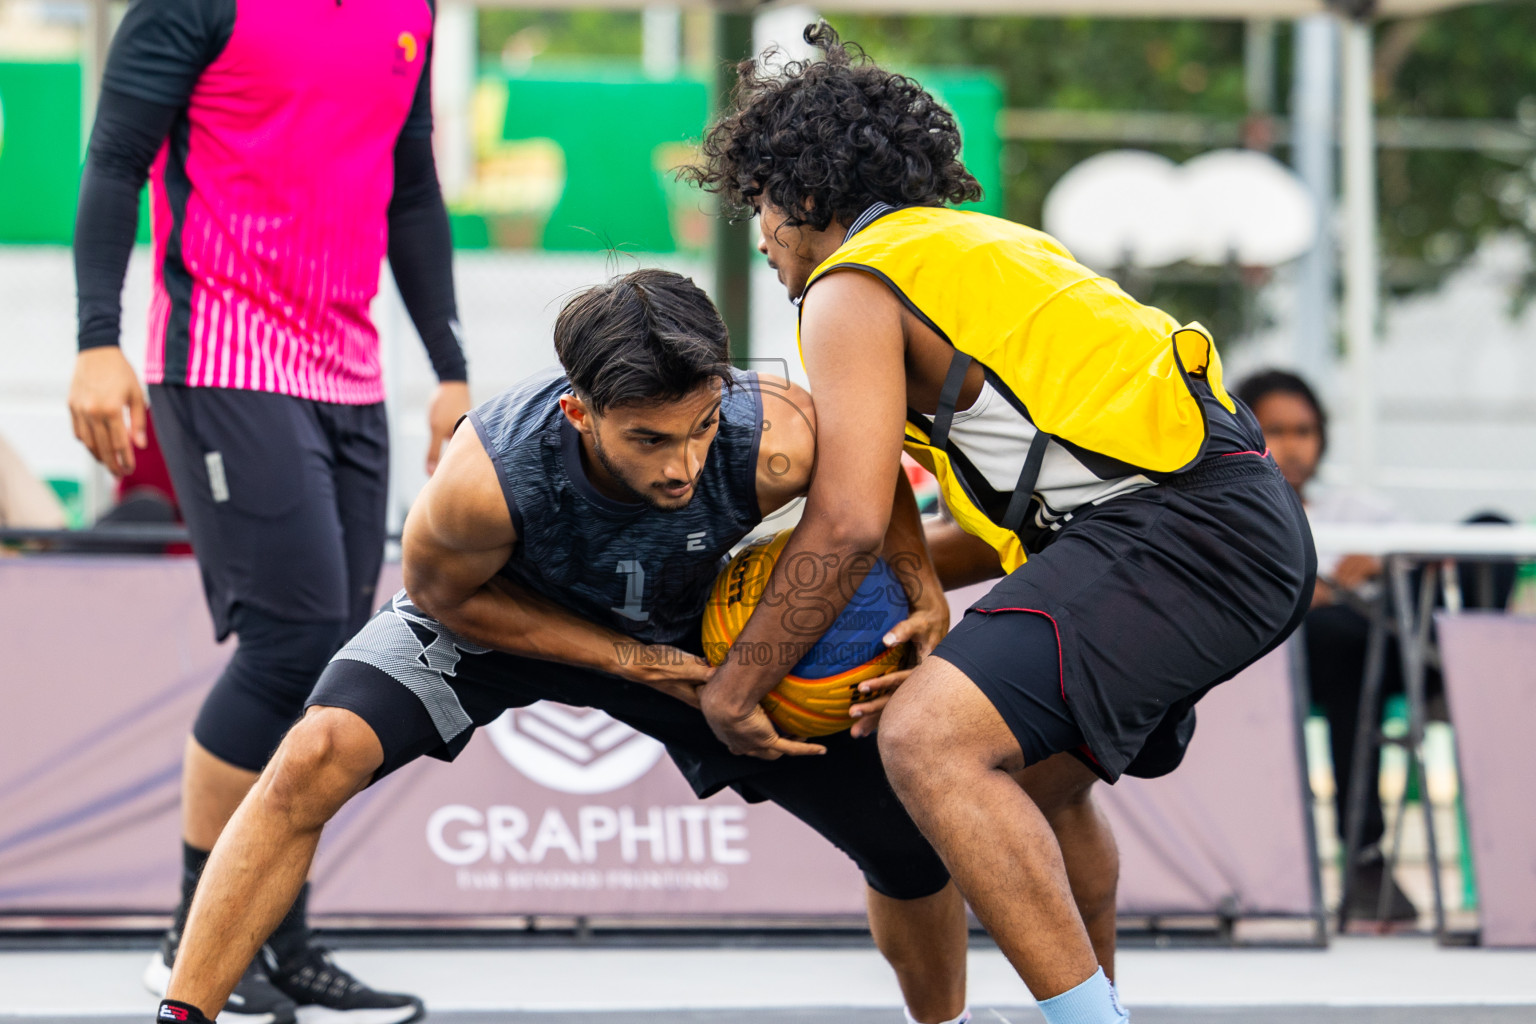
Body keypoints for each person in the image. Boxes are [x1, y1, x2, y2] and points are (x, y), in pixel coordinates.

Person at [685, 26, 1315, 1024]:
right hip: (1222, 522)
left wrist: (739, 683)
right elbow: (1024, 510)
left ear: (805, 195)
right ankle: (1089, 1007)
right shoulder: (986, 250)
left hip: (1179, 532)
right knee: (1037, 779)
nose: (760, 233)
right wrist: (922, 587)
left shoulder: (852, 286)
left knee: (929, 738)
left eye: (760, 201)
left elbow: (846, 522)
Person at [151, 270, 971, 1024]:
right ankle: (183, 1014)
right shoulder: (482, 488)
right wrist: (628, 660)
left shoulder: (777, 433)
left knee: (907, 844)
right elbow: (442, 596)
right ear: (580, 412)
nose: (685, 466)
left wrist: (916, 576)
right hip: (508, 611)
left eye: (702, 427)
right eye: (650, 440)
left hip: (685, 620)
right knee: (311, 756)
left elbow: (864, 470)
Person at [68, 0, 470, 1018]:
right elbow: (114, 163)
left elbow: (411, 193)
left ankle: (277, 939)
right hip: (221, 353)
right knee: (288, 642)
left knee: (338, 654)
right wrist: (95, 339)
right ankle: (194, 938)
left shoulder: (409, 9)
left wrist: (454, 367)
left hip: (350, 369)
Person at [1236, 369, 1513, 926]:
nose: (1293, 446)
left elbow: (1430, 556)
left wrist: (1383, 561)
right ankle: (1464, 666)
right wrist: (1311, 590)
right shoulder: (1233, 516)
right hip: (1305, 662)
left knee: (1486, 528)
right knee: (1340, 635)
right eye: (1278, 430)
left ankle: (1464, 657)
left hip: (1390, 646)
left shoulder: (1353, 510)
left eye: (1305, 431)